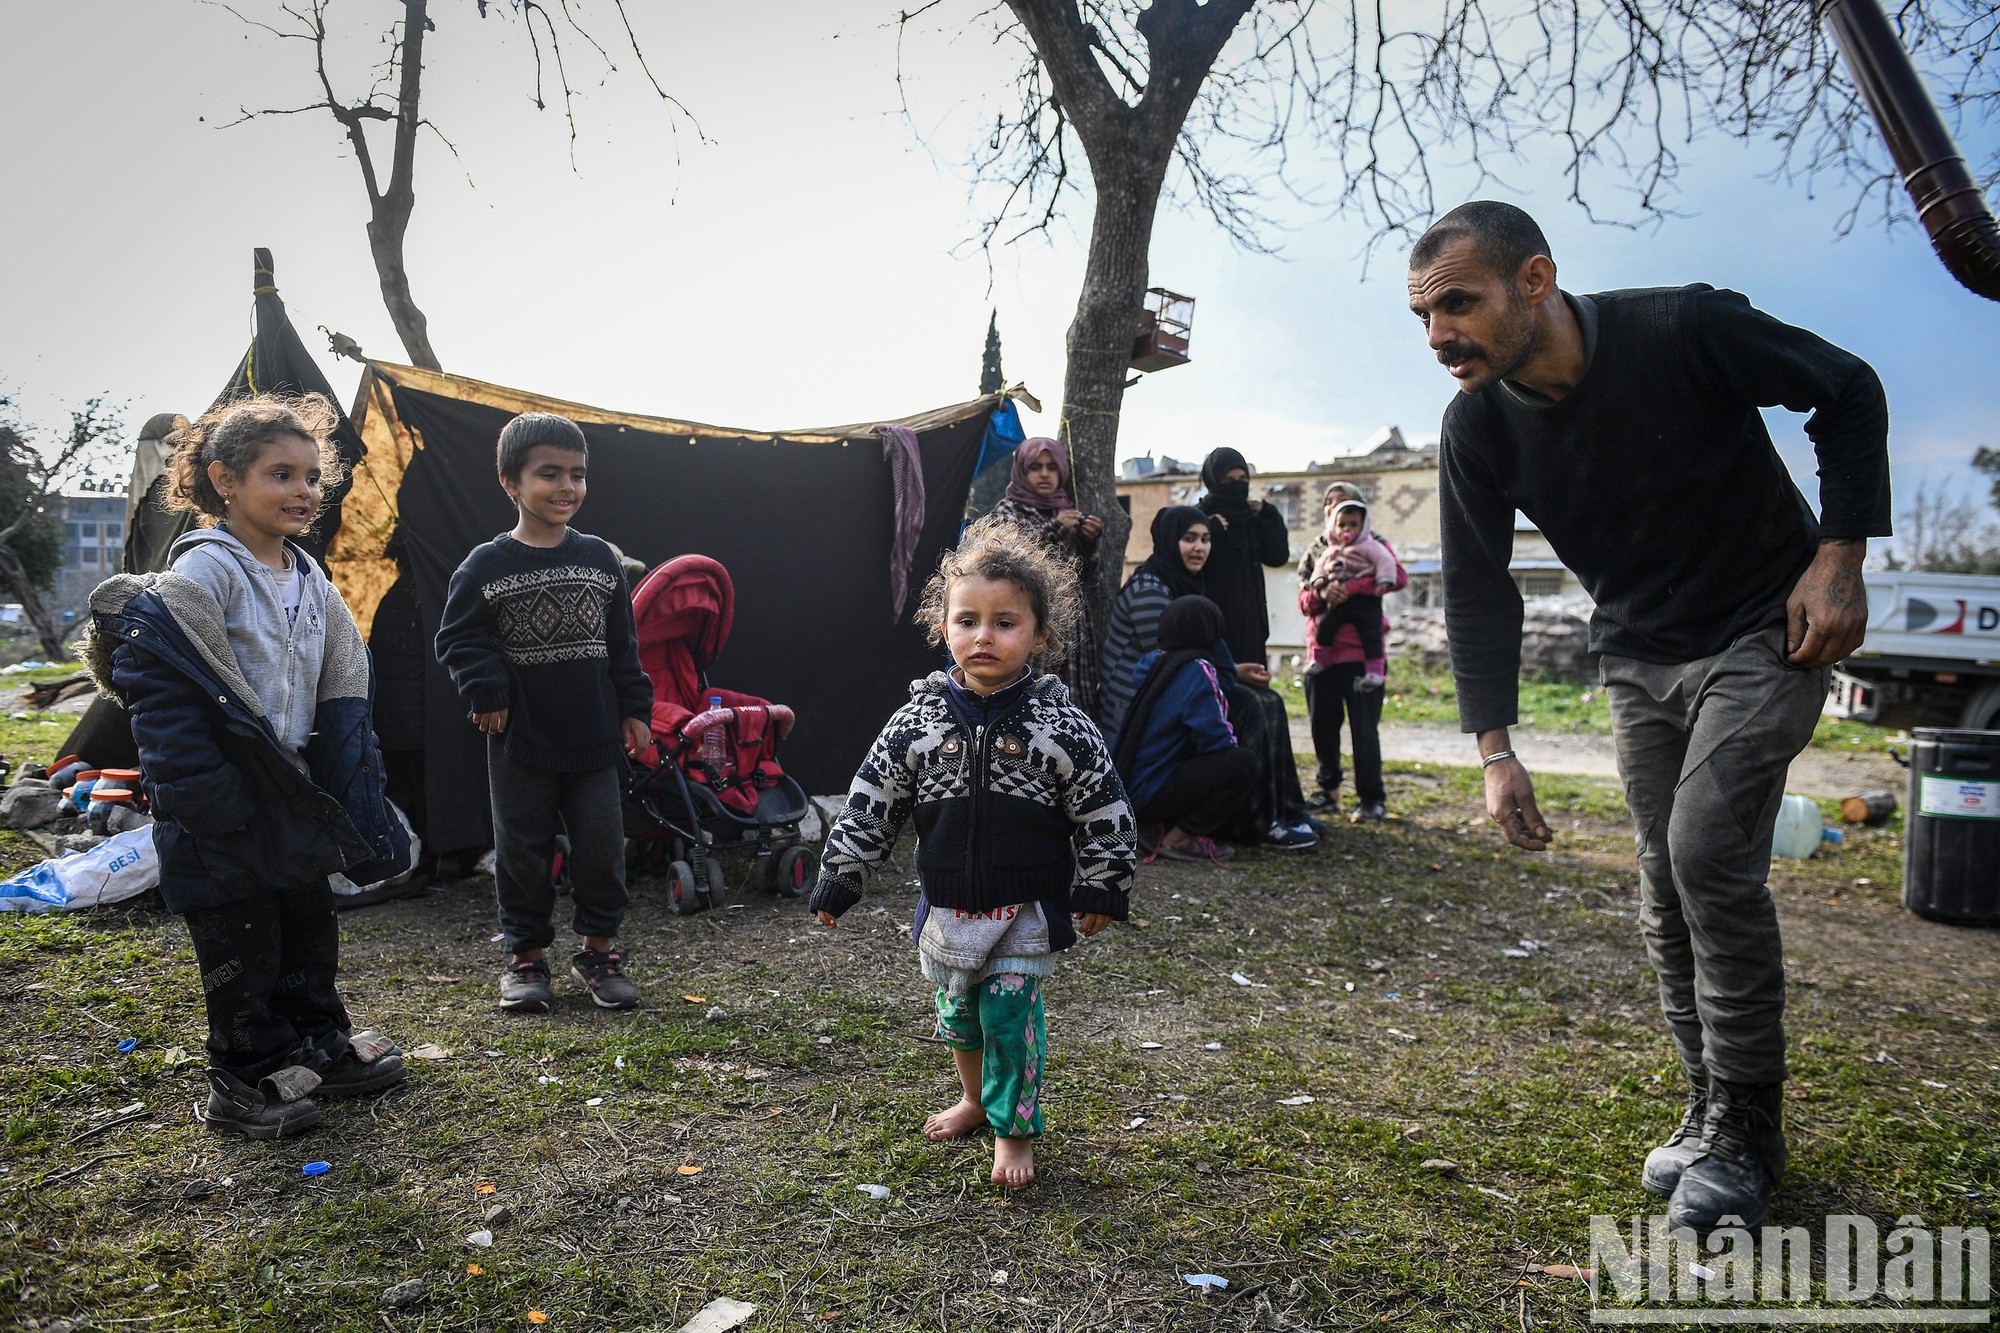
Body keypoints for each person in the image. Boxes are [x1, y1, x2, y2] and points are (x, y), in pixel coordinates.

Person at [1410, 200, 1888, 1232]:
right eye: (1422, 315)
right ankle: (1708, 1106)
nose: (1439, 334)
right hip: (1639, 659)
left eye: (1458, 302)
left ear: (1532, 281)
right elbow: (1479, 586)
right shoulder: (1477, 424)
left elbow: (1845, 389)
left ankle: (1749, 1130)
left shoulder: (1681, 329)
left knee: (1705, 852)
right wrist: (1493, 750)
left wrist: (1837, 556)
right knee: (1661, 886)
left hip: (1767, 629)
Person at [86, 393, 411, 1139]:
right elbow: (163, 691)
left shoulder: (309, 578)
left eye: (310, 477)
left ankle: (319, 1041)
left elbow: (342, 687)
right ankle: (244, 1072)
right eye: (280, 474)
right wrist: (203, 796)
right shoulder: (205, 574)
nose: (303, 492)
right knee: (241, 941)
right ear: (224, 479)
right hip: (219, 800)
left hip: (291, 788)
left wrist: (349, 780)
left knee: (305, 925)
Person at [810, 515, 1135, 1188]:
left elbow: (1104, 803)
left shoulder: (1061, 724)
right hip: (948, 903)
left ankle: (1014, 1126)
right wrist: (843, 871)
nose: (983, 635)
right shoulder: (916, 722)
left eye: (1005, 621)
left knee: (1007, 1013)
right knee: (959, 1013)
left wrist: (1105, 879)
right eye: (967, 620)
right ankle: (973, 1098)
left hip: (1026, 906)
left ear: (1041, 634)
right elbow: (872, 797)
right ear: (944, 626)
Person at [436, 413, 654, 1015]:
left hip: (594, 741)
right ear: (510, 481)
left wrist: (635, 710)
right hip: (520, 741)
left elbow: (624, 646)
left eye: (577, 475)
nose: (566, 487)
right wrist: (487, 689)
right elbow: (458, 640)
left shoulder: (600, 560)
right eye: (549, 474)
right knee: (523, 853)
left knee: (602, 848)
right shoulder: (485, 565)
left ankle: (599, 952)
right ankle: (525, 959)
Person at [1110, 596, 1259, 865]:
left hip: (1129, 786)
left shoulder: (1152, 663)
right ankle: (1178, 838)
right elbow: (1218, 740)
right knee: (1242, 764)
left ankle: (1155, 825)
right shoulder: (1196, 671)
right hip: (1150, 791)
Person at [1297, 484, 1407, 820]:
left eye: (1346, 503)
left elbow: (1397, 576)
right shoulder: (1317, 550)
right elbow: (1304, 601)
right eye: (1331, 503)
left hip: (1361, 656)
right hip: (1323, 656)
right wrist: (1325, 594)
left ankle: (1371, 798)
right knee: (1323, 727)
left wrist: (1352, 587)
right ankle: (1327, 791)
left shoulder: (1374, 542)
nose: (1338, 509)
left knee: (1364, 730)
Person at [987, 436, 1104, 715]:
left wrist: (1088, 543)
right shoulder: (1008, 511)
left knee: (1066, 707)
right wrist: (1055, 528)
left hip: (1070, 627)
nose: (1044, 474)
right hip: (1027, 620)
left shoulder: (1066, 510)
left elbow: (1082, 574)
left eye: (1052, 467)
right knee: (1026, 702)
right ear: (1022, 471)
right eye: (1035, 467)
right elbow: (1009, 558)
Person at [1098, 505, 1209, 740]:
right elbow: (1171, 657)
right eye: (1189, 539)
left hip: (1150, 702)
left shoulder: (1178, 582)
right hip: (1127, 713)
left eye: (1205, 539)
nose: (1199, 547)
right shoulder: (1149, 589)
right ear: (1169, 539)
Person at [1310, 499, 1397, 690]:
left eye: (1353, 525)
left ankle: (1375, 672)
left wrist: (1384, 580)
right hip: (1339, 601)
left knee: (1371, 633)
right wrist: (1319, 582)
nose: (1346, 529)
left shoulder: (1371, 546)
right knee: (1325, 626)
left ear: (1364, 526)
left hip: (1365, 601)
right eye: (1342, 525)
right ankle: (1320, 659)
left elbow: (1386, 563)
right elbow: (1319, 568)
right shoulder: (1330, 550)